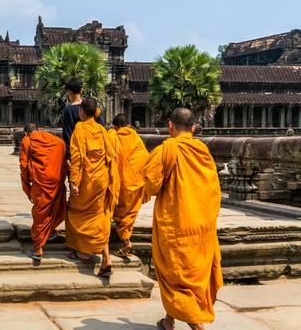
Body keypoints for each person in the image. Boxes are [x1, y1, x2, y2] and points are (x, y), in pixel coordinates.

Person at [143, 108, 222, 330]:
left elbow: (150, 185)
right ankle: (169, 321)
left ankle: (197, 326)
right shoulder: (202, 151)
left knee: (176, 276)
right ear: (193, 128)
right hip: (201, 225)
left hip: (176, 225)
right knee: (184, 276)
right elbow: (214, 189)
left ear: (170, 126)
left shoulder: (167, 149)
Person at [65, 97, 119, 278]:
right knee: (100, 215)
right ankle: (106, 258)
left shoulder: (80, 130)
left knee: (77, 213)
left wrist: (74, 181)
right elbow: (111, 156)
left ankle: (85, 252)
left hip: (87, 181)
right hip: (101, 179)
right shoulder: (102, 130)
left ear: (81, 112)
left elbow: (78, 158)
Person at [19, 123, 67, 262]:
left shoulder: (27, 140)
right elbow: (62, 146)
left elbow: (24, 165)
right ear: (38, 130)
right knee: (54, 209)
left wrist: (27, 185)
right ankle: (49, 231)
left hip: (41, 181)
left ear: (26, 133)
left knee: (40, 212)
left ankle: (38, 248)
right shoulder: (54, 139)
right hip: (56, 180)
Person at [108, 113, 149, 257]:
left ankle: (126, 241)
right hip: (136, 182)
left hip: (121, 183)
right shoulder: (136, 138)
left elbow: (110, 158)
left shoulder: (113, 137)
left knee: (119, 212)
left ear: (116, 125)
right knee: (130, 212)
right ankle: (126, 240)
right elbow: (144, 157)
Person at [61, 77, 105, 150]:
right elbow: (102, 126)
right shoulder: (91, 105)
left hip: (79, 150)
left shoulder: (68, 110)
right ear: (81, 90)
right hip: (95, 149)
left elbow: (68, 135)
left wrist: (68, 155)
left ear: (69, 92)